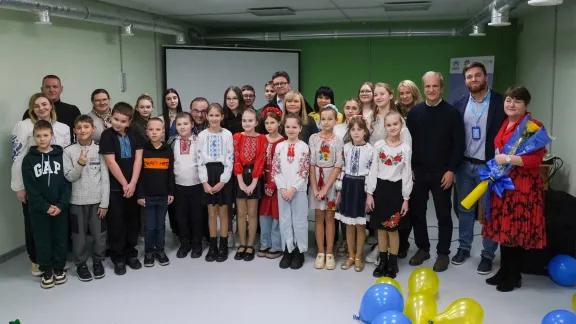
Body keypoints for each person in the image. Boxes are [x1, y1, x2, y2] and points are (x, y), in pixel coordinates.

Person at [483, 86, 546, 292]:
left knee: (516, 232)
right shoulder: (506, 123)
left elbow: (536, 160)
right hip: (503, 184)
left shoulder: (533, 127)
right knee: (504, 230)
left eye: (517, 101)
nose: (511, 104)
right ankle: (504, 270)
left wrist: (508, 159)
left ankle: (514, 275)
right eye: (508, 100)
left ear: (525, 105)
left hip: (522, 187)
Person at [406, 71, 465, 272]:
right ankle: (423, 249)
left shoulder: (452, 113)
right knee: (417, 213)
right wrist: (410, 168)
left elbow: (459, 144)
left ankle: (443, 253)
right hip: (419, 172)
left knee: (443, 215)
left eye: (435, 86)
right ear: (424, 88)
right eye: (428, 86)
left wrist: (451, 171)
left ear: (441, 88)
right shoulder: (415, 113)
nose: (431, 90)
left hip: (442, 173)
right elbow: (408, 143)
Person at [451, 62, 506, 275]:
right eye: (469, 77)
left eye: (477, 76)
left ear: (485, 77)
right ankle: (464, 248)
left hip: (489, 166)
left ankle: (487, 255)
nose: (473, 80)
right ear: (465, 81)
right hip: (465, 165)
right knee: (465, 209)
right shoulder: (460, 103)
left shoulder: (500, 102)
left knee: (490, 212)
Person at [12, 93, 70, 276]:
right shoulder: (22, 126)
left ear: (51, 106)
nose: (41, 108)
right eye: (36, 106)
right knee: (35, 226)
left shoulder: (63, 128)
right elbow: (17, 157)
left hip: (57, 185)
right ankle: (38, 261)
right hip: (32, 183)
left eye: (45, 104)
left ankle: (58, 261)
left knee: (59, 228)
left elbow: (67, 157)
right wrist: (18, 186)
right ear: (32, 109)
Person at [365, 83, 412, 265]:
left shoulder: (400, 125)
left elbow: (406, 159)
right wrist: (370, 189)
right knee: (379, 223)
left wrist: (406, 194)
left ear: (390, 95)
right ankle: (381, 252)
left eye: (381, 93)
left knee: (393, 225)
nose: (378, 97)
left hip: (396, 181)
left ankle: (390, 257)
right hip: (377, 178)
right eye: (375, 94)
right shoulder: (372, 119)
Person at [22, 120, 71, 289]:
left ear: (52, 136)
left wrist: (61, 204)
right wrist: (45, 206)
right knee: (42, 239)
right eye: (38, 136)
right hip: (39, 210)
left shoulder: (62, 155)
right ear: (33, 137)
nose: (42, 139)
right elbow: (31, 188)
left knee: (60, 238)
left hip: (60, 208)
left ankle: (59, 268)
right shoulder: (28, 160)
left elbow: (67, 182)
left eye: (45, 135)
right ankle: (47, 270)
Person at [99, 102, 144, 276]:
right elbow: (110, 162)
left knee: (133, 222)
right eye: (115, 119)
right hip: (116, 188)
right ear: (111, 117)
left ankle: (131, 254)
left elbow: (138, 160)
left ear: (130, 121)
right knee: (116, 223)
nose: (118, 123)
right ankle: (118, 257)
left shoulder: (135, 134)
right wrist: (125, 184)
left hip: (133, 186)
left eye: (122, 121)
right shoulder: (106, 135)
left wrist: (133, 183)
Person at [63, 115, 109, 282]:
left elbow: (105, 177)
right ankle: (81, 264)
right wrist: (80, 164)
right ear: (74, 130)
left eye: (86, 127)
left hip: (97, 201)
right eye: (79, 127)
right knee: (78, 235)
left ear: (93, 129)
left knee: (99, 234)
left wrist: (105, 202)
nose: (83, 130)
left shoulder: (99, 149)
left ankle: (98, 261)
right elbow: (69, 177)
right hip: (76, 202)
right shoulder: (68, 151)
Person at [335, 115, 373, 272]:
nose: (356, 132)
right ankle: (350, 255)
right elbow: (341, 169)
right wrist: (339, 191)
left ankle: (358, 256)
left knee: (360, 225)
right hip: (348, 186)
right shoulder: (345, 148)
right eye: (353, 129)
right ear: (349, 131)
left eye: (359, 129)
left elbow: (371, 172)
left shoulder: (371, 150)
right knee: (349, 225)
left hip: (361, 187)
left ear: (365, 131)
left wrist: (369, 193)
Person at [272, 114, 310, 270]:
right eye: (288, 127)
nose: (291, 130)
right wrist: (282, 188)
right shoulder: (280, 146)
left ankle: (299, 251)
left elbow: (304, 170)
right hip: (283, 191)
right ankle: (288, 249)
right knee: (285, 219)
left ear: (300, 128)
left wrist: (293, 189)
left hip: (298, 191)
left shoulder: (304, 147)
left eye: (294, 127)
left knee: (299, 221)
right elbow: (275, 169)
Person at [197, 103, 234, 263]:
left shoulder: (227, 134)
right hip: (207, 173)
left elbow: (230, 158)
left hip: (223, 174)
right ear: (206, 116)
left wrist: (223, 181)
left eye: (216, 115)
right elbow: (199, 159)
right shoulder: (202, 135)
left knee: (223, 211)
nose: (213, 118)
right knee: (211, 212)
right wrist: (204, 182)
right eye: (210, 115)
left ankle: (223, 245)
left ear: (222, 117)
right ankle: (213, 245)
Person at [136, 118, 175, 268]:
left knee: (161, 225)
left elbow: (171, 173)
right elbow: (138, 174)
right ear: (146, 132)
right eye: (151, 129)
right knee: (149, 226)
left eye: (158, 130)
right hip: (147, 196)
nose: (154, 132)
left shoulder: (167, 150)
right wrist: (140, 194)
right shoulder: (143, 150)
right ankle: (149, 252)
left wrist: (171, 192)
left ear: (163, 132)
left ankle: (160, 251)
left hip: (164, 195)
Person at [309, 106, 344, 270]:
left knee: (330, 218)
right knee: (319, 218)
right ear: (319, 120)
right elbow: (312, 164)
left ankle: (330, 252)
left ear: (336, 120)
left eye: (330, 119)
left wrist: (325, 189)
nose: (326, 122)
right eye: (323, 119)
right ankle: (320, 252)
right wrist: (316, 189)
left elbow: (338, 165)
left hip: (331, 183)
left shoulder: (338, 140)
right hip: (317, 180)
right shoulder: (313, 138)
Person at [233, 109, 267, 262]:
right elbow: (236, 158)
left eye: (250, 120)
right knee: (241, 213)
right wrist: (240, 181)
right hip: (239, 176)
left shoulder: (262, 138)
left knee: (252, 213)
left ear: (256, 122)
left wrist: (254, 182)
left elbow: (260, 159)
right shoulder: (237, 137)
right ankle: (242, 243)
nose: (247, 123)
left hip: (255, 176)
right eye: (244, 120)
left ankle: (251, 244)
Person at [395, 80, 422, 259]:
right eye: (402, 93)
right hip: (394, 164)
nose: (405, 96)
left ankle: (404, 242)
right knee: (395, 204)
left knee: (411, 206)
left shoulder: (421, 110)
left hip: (415, 163)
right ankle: (395, 242)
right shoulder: (394, 110)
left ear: (414, 93)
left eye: (408, 93)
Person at [173, 112, 204, 259]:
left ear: (192, 125)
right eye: (179, 124)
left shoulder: (199, 141)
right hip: (179, 186)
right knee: (181, 217)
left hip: (197, 185)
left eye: (185, 123)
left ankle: (197, 243)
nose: (182, 127)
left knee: (197, 216)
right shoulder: (172, 142)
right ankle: (185, 243)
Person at [258, 107, 285, 259]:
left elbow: (281, 166)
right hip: (262, 180)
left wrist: (274, 184)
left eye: (272, 122)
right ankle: (264, 243)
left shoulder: (283, 142)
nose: (269, 126)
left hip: (277, 182)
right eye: (267, 123)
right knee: (264, 213)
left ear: (279, 123)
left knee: (276, 214)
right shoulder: (262, 139)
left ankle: (276, 245)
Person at [22, 75, 81, 144]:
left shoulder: (72, 110)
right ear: (42, 89)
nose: (51, 90)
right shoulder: (31, 112)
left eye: (55, 86)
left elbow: (80, 134)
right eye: (47, 87)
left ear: (61, 89)